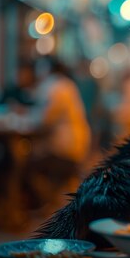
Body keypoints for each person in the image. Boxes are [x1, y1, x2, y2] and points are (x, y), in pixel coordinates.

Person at [23, 56, 91, 212]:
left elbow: (44, 120)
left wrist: (22, 115)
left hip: (66, 150)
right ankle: (46, 201)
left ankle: (43, 203)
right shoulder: (65, 84)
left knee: (25, 163)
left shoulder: (56, 87)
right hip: (75, 146)